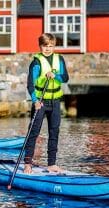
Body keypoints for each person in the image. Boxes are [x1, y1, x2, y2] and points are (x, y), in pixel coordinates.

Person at [24, 33, 69, 174]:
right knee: (33, 132)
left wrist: (56, 75)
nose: (48, 49)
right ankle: (27, 164)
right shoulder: (36, 62)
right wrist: (35, 101)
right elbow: (30, 85)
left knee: (54, 132)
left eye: (50, 46)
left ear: (54, 46)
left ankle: (51, 164)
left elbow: (66, 78)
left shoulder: (59, 59)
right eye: (45, 46)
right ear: (40, 46)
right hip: (41, 102)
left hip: (55, 101)